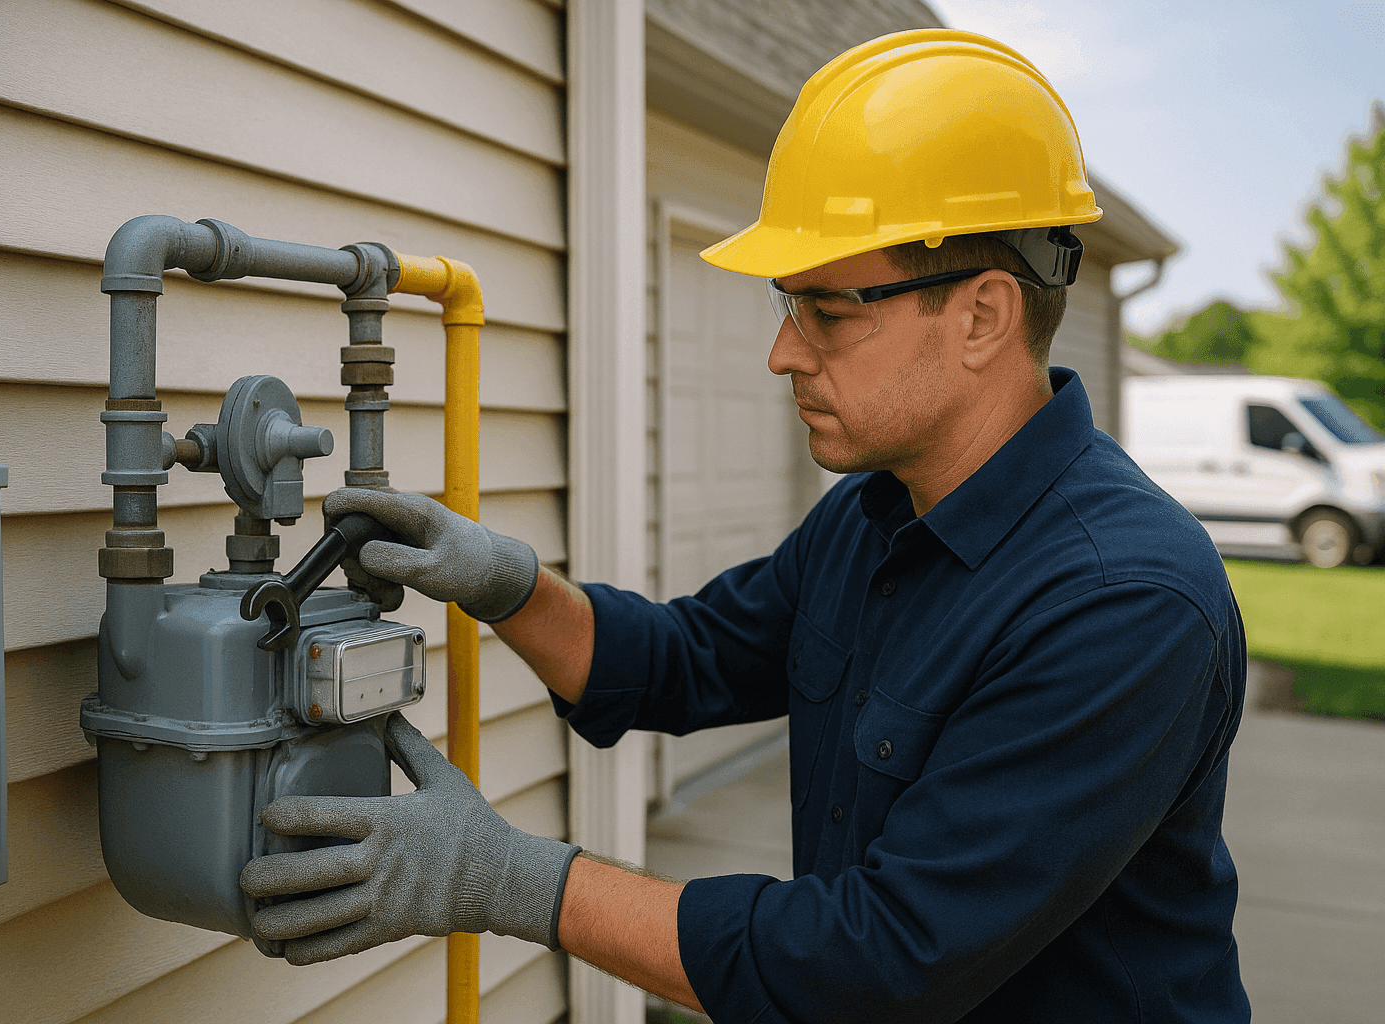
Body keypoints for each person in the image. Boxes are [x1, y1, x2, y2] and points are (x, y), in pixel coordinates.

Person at [239, 29, 1250, 1023]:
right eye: (787, 303)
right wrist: (507, 583)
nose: (782, 353)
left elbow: (876, 964)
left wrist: (514, 882)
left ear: (982, 316)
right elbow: (684, 658)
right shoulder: (874, 517)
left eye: (830, 311)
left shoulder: (1122, 600)